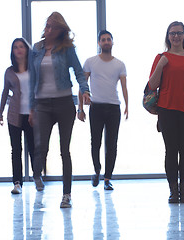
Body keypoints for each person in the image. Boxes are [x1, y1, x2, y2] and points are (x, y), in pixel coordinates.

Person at [29, 12, 90, 208]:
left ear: (59, 30)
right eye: (47, 26)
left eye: (52, 27)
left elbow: (79, 72)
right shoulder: (37, 49)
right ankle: (37, 174)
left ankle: (66, 195)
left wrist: (85, 90)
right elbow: (31, 80)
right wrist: (31, 107)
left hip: (64, 103)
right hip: (42, 105)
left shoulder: (67, 49)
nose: (48, 30)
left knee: (65, 150)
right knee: (41, 148)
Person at [148, 21, 184, 203]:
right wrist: (161, 65)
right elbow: (152, 85)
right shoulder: (161, 57)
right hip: (166, 110)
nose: (175, 36)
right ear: (168, 36)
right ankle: (173, 191)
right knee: (171, 150)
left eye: (179, 33)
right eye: (172, 33)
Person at [77, 30, 128, 191]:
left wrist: (127, 105)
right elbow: (82, 85)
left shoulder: (119, 64)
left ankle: (107, 178)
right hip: (96, 107)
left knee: (111, 143)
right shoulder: (91, 62)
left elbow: (124, 86)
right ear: (99, 43)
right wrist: (80, 108)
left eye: (108, 39)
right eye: (103, 40)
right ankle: (97, 170)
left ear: (112, 42)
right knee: (95, 142)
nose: (106, 42)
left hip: (114, 107)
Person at [0, 38, 35, 194]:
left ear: (27, 50)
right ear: (12, 51)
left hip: (32, 115)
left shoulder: (33, 69)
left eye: (21, 47)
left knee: (34, 149)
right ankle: (17, 183)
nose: (19, 49)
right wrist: (0, 112)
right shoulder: (9, 71)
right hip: (14, 115)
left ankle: (38, 177)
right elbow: (5, 92)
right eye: (15, 47)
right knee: (16, 149)